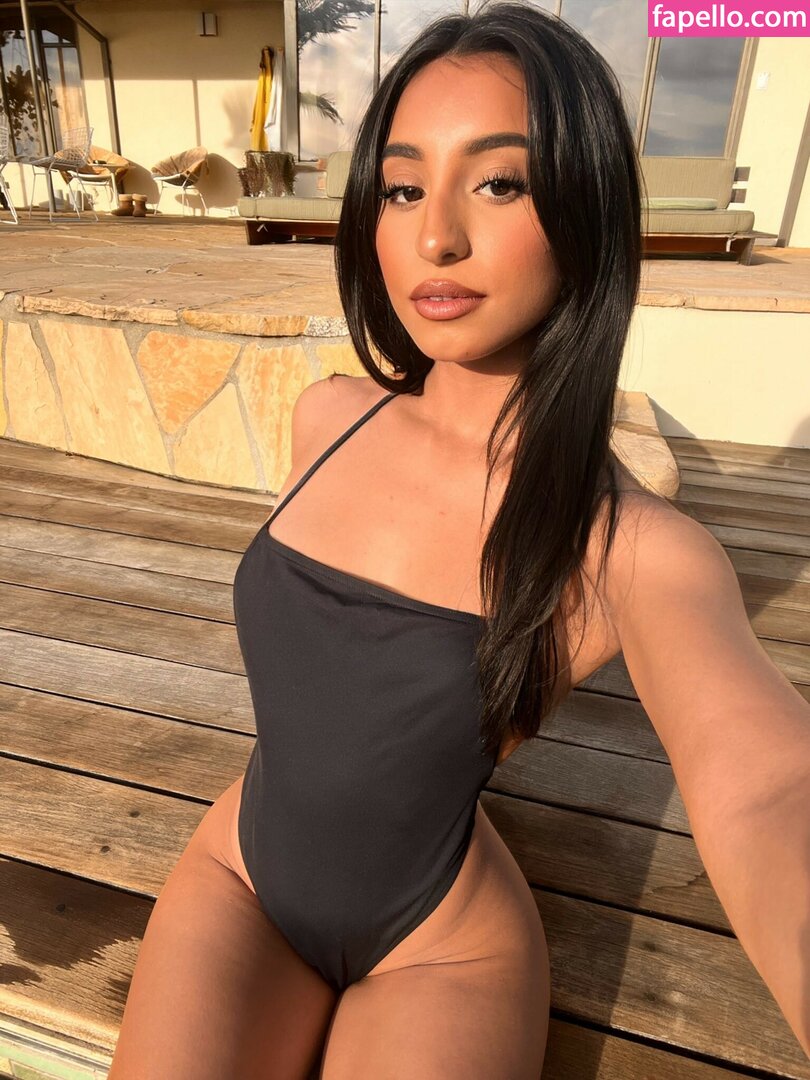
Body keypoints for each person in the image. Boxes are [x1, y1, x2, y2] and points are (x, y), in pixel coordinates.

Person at [108, 3, 810, 1077]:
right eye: (402, 188)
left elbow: (770, 790)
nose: (435, 236)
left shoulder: (631, 548)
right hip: (240, 871)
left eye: (500, 182)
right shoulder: (327, 420)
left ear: (583, 206)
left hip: (438, 946)